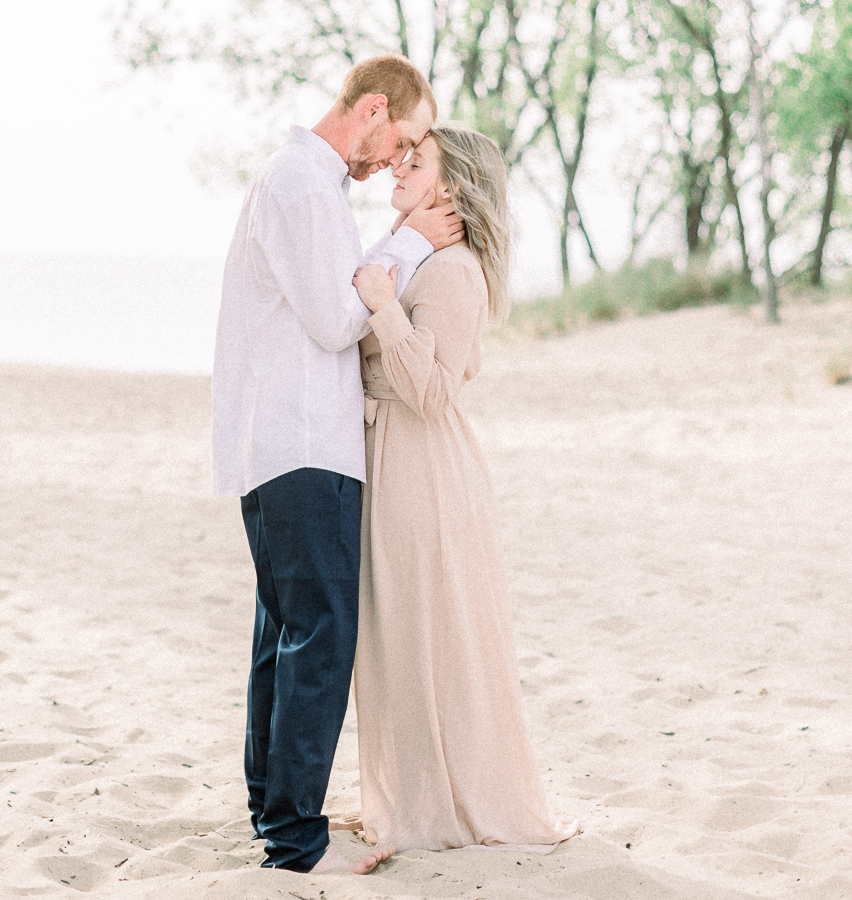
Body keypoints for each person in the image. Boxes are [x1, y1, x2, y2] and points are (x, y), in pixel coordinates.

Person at [212, 55, 465, 875]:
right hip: (305, 446)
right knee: (319, 637)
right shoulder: (302, 183)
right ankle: (292, 837)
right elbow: (333, 316)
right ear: (374, 108)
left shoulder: (303, 184)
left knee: (285, 635)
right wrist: (409, 242)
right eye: (403, 140)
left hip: (288, 443)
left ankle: (269, 811)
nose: (398, 160)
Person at [345, 124, 578, 872]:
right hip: (387, 457)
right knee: (394, 638)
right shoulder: (416, 251)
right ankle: (409, 794)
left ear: (453, 186)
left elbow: (433, 389)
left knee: (423, 636)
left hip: (420, 464)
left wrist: (382, 304)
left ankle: (436, 805)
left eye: (418, 162)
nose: (398, 168)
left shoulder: (454, 272)